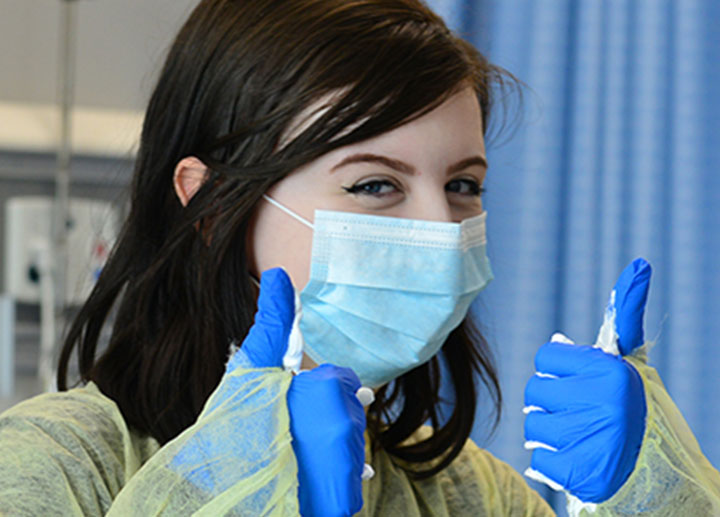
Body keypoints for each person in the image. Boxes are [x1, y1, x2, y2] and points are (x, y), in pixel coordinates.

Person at [1, 0, 719, 515]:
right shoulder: (56, 465)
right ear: (213, 207)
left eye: (463, 184)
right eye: (376, 184)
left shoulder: (470, 494)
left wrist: (650, 492)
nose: (441, 227)